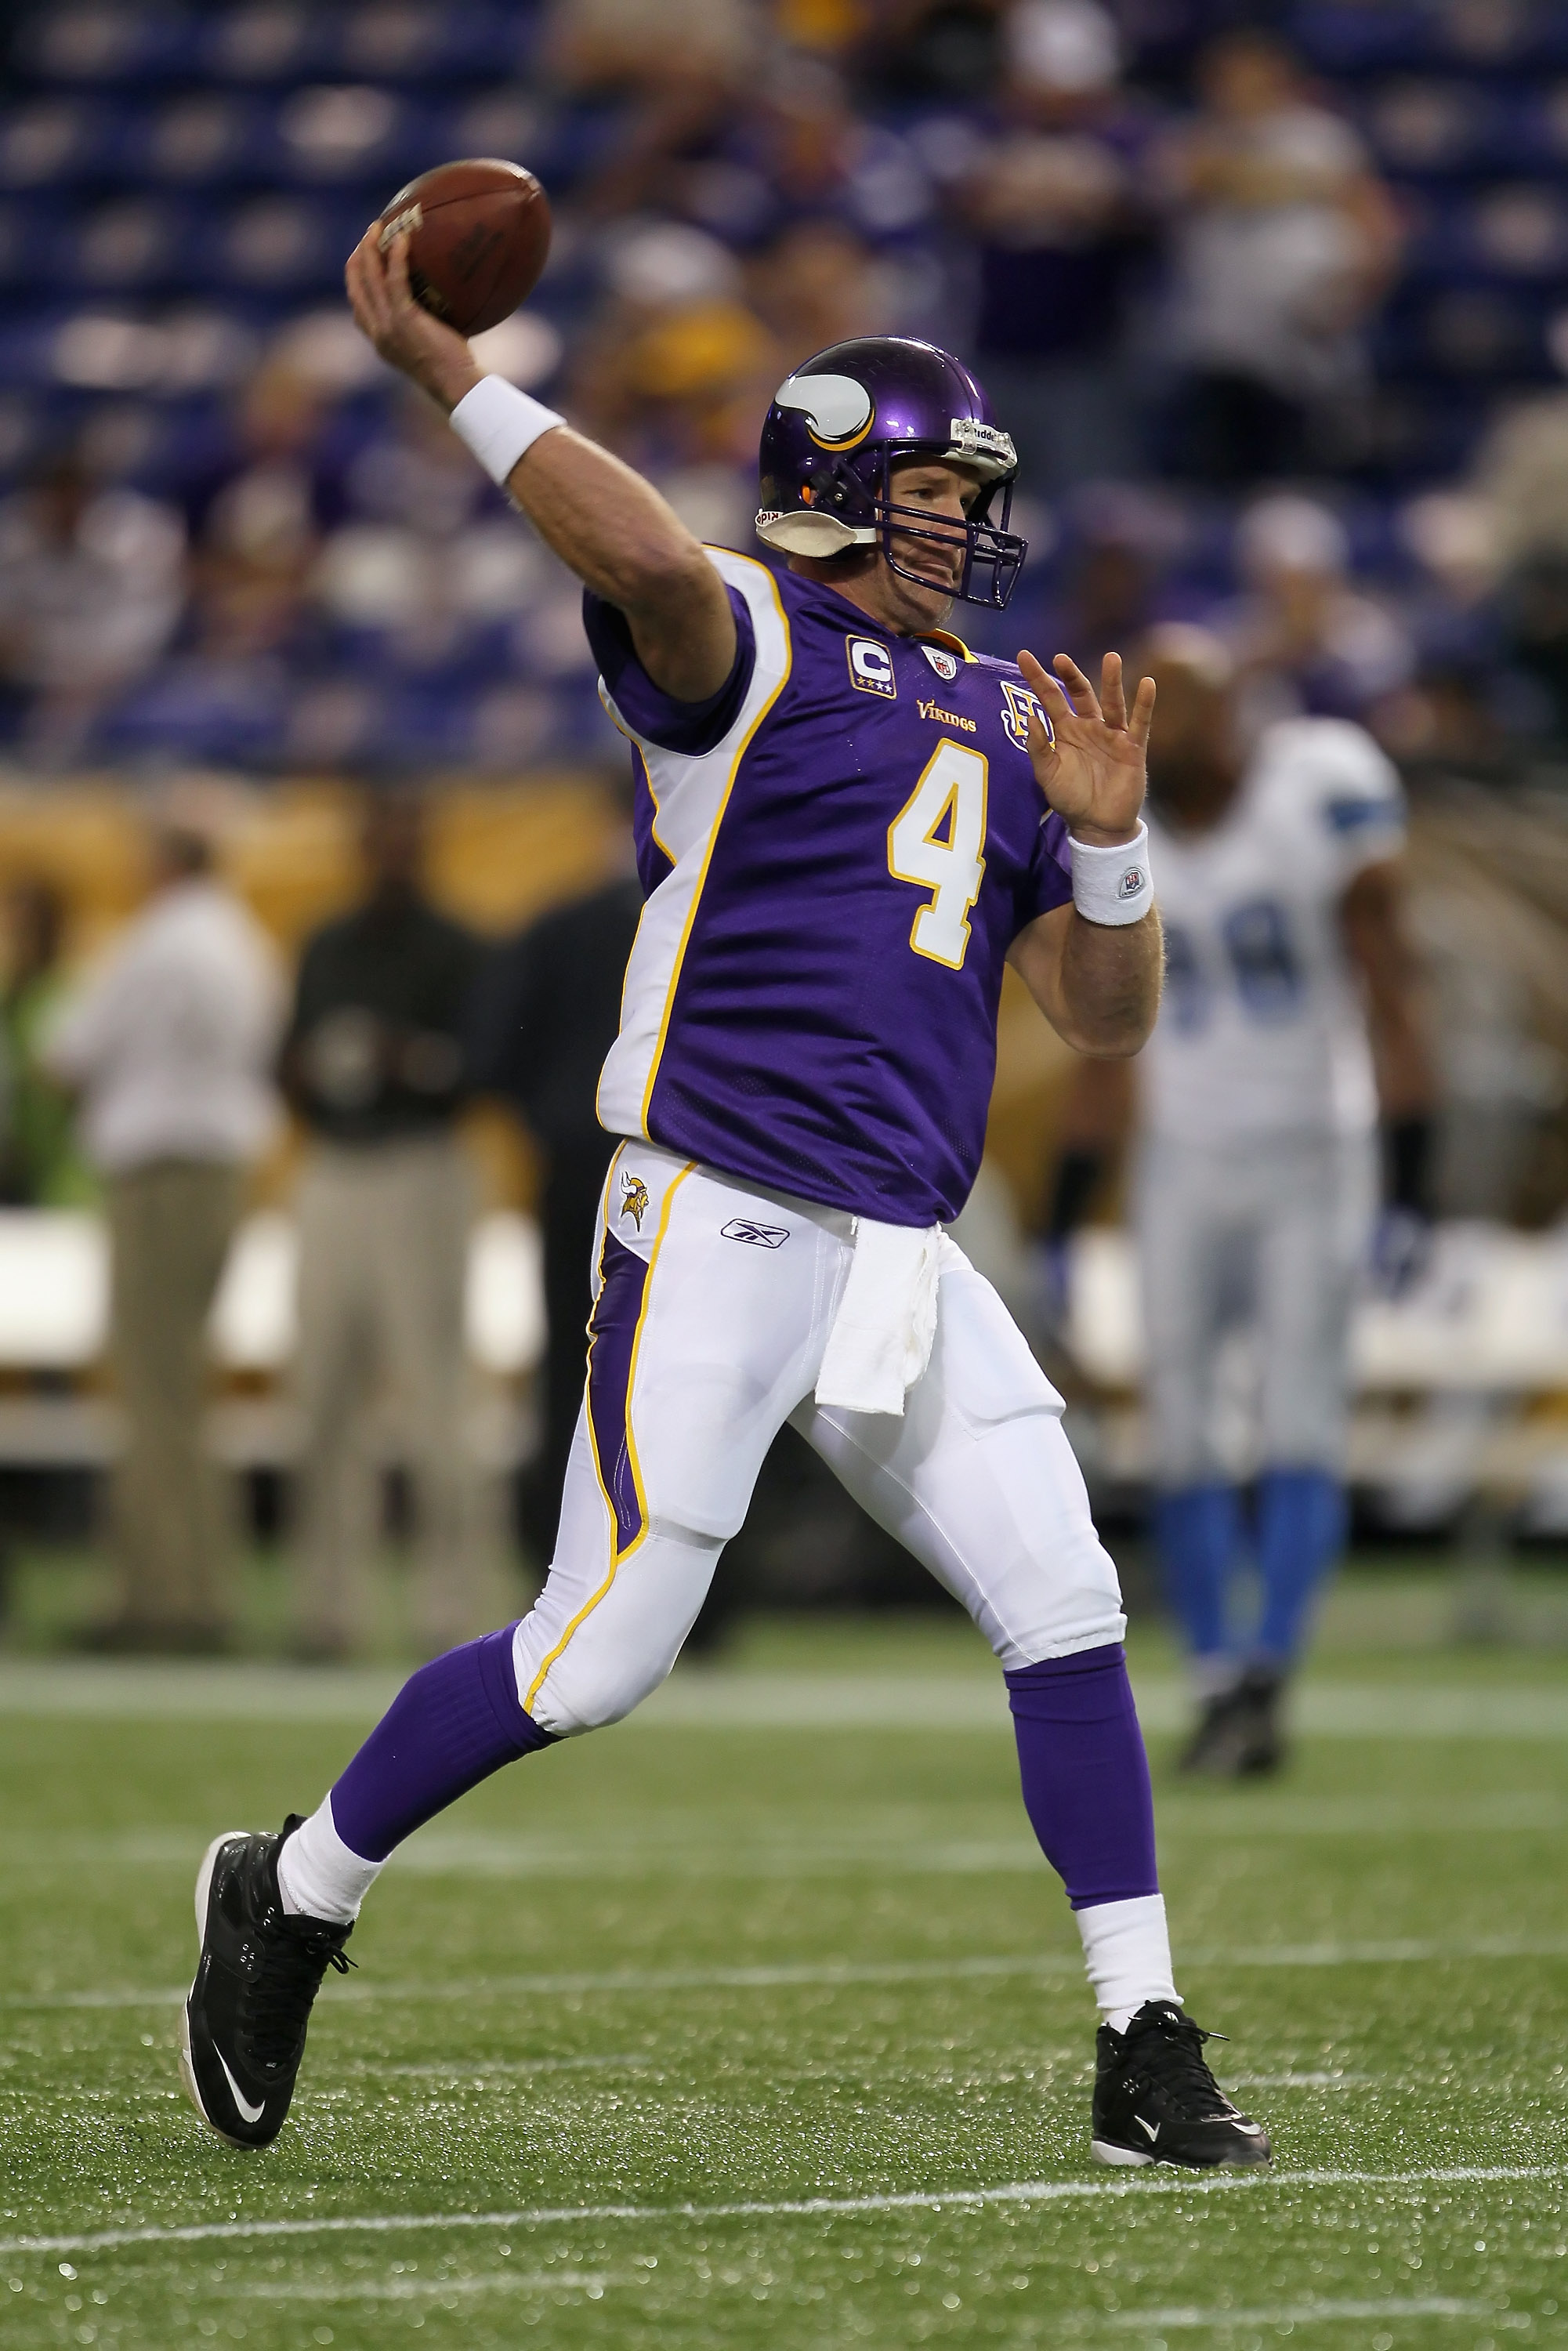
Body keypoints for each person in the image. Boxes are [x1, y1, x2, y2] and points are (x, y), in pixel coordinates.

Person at [179, 226, 1273, 2178]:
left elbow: (1097, 1024)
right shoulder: (747, 634)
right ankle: (296, 1883)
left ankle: (1140, 2033)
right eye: (933, 495)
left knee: (1065, 1598)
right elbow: (646, 564)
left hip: (897, 1245)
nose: (961, 531)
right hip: (717, 1207)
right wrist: (450, 370)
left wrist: (1108, 852)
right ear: (838, 486)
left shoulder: (1015, 714)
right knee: (594, 1653)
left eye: (971, 501)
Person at [1045, 626, 1435, 1774]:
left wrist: (1411, 1176)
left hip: (1315, 1147)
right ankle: (1218, 1671)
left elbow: (1391, 987)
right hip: (1183, 1155)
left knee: (1300, 1417)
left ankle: (1269, 1663)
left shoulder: (1319, 783)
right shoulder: (1126, 817)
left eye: (1202, 706)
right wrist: (1069, 1212)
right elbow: (1095, 1035)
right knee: (1180, 1428)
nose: (1185, 735)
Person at [43, 824, 282, 1650]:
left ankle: (161, 1598)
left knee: (151, 1386)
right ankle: (195, 1586)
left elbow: (66, 1053)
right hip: (219, 1171)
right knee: (182, 1384)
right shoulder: (242, 940)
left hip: (161, 1173)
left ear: (164, 861)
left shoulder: (157, 941)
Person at [279, 791, 487, 1662]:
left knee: (437, 1397)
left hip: (421, 1168)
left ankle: (459, 1608)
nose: (393, 854)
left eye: (408, 839)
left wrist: (406, 1057)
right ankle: (327, 1610)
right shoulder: (326, 941)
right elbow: (282, 1061)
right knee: (322, 1394)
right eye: (382, 838)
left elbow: (480, 1068)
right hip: (333, 1168)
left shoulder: (460, 948)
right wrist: (311, 1068)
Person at [465, 831, 643, 1561]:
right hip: (697, 1176)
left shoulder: (559, 925)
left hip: (578, 1172)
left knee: (574, 1364)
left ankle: (561, 1559)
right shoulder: (725, 917)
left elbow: (488, 1055)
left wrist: (552, 1119)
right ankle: (702, 1594)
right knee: (686, 1374)